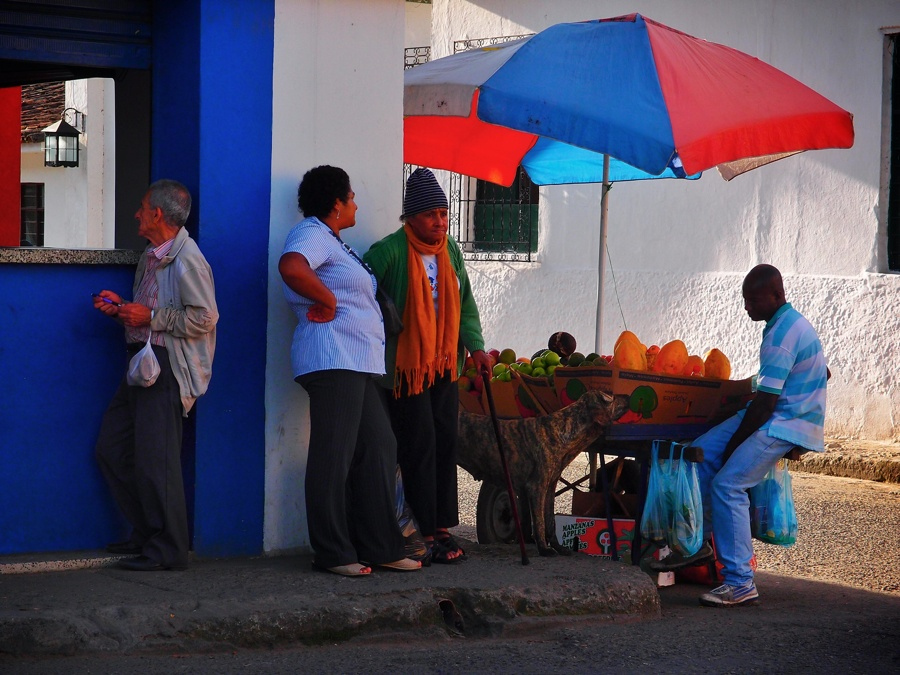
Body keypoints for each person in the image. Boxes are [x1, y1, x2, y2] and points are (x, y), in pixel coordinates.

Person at [651, 264, 828, 607]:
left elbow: (765, 406)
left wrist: (734, 447)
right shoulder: (783, 324)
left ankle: (740, 581)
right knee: (697, 456)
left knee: (728, 484)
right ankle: (695, 545)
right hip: (771, 412)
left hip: (787, 421)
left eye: (753, 300)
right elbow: (773, 386)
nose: (747, 307)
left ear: (777, 296)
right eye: (744, 300)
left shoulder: (781, 335)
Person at [278, 165, 420, 577]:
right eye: (352, 196)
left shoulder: (335, 242)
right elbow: (291, 266)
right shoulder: (311, 233)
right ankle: (333, 552)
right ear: (336, 203)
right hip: (332, 358)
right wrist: (328, 300)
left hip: (358, 363)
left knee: (379, 447)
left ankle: (380, 545)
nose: (356, 203)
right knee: (333, 455)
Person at [364, 168, 493, 564]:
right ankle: (418, 530)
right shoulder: (388, 251)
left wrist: (475, 348)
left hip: (443, 364)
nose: (440, 221)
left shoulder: (450, 251)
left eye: (444, 213)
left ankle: (441, 527)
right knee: (418, 443)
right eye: (431, 214)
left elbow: (465, 303)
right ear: (410, 217)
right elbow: (361, 290)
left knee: (444, 440)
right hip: (406, 369)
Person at [93, 179, 217, 572]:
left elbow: (205, 317)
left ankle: (167, 549)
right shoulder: (153, 255)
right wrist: (124, 310)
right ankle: (149, 533)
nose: (137, 213)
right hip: (142, 362)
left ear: (158, 214)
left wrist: (149, 317)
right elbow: (151, 313)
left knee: (155, 462)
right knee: (113, 449)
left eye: (142, 207)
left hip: (165, 367)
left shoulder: (187, 259)